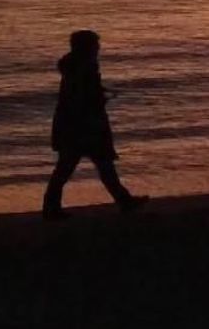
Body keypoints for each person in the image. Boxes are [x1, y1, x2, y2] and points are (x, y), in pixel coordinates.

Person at [42, 30, 148, 219]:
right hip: (84, 126)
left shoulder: (75, 66)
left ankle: (123, 200)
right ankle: (52, 208)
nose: (98, 48)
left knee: (81, 166)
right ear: (87, 47)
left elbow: (79, 93)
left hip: (73, 124)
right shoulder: (84, 67)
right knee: (85, 165)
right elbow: (83, 98)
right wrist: (99, 99)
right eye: (95, 45)